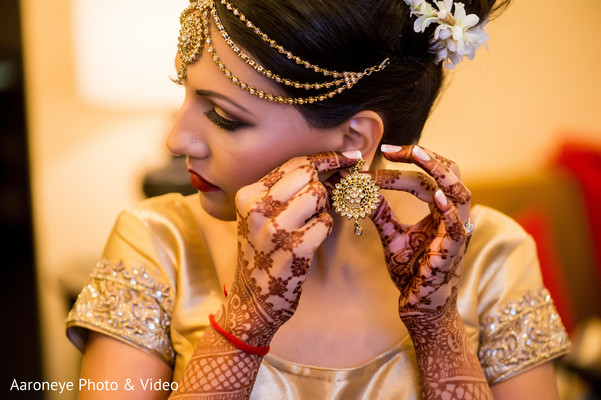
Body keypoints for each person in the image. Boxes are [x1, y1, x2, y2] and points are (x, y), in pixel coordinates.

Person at [66, 0, 571, 399]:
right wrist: (247, 318)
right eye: (185, 91)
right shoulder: (158, 242)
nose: (178, 140)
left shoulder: (488, 255)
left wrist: (437, 327)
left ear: (355, 139)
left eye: (225, 118)